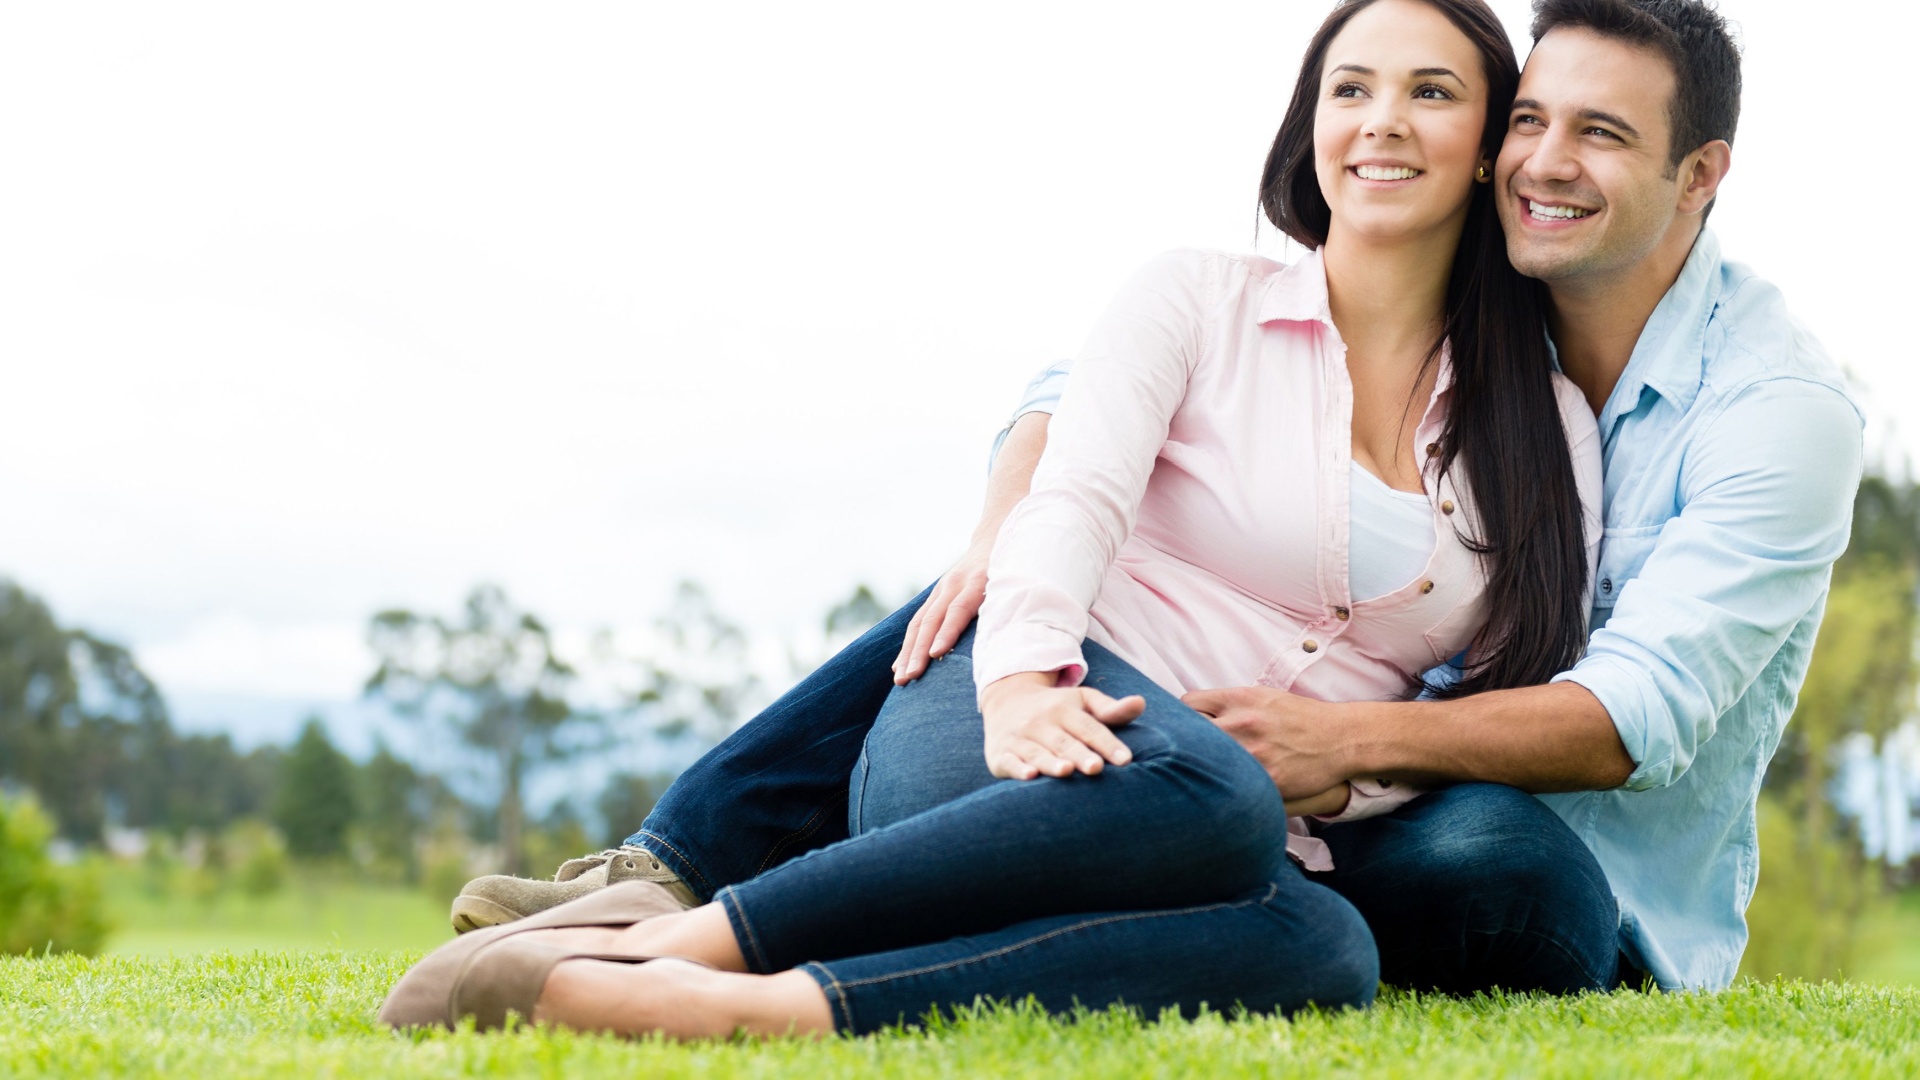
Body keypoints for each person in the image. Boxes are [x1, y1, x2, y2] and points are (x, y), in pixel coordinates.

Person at [445, 0, 1861, 1011]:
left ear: (1698, 176)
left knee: (1333, 947)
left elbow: (1630, 713)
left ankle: (748, 992)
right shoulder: (1219, 294)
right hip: (1109, 718)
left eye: (1595, 132)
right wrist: (1019, 590)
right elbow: (1079, 415)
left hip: (1418, 820)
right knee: (1174, 757)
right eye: (1532, 120)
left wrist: (1342, 754)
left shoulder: (1660, 412)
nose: (1546, 161)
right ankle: (683, 901)